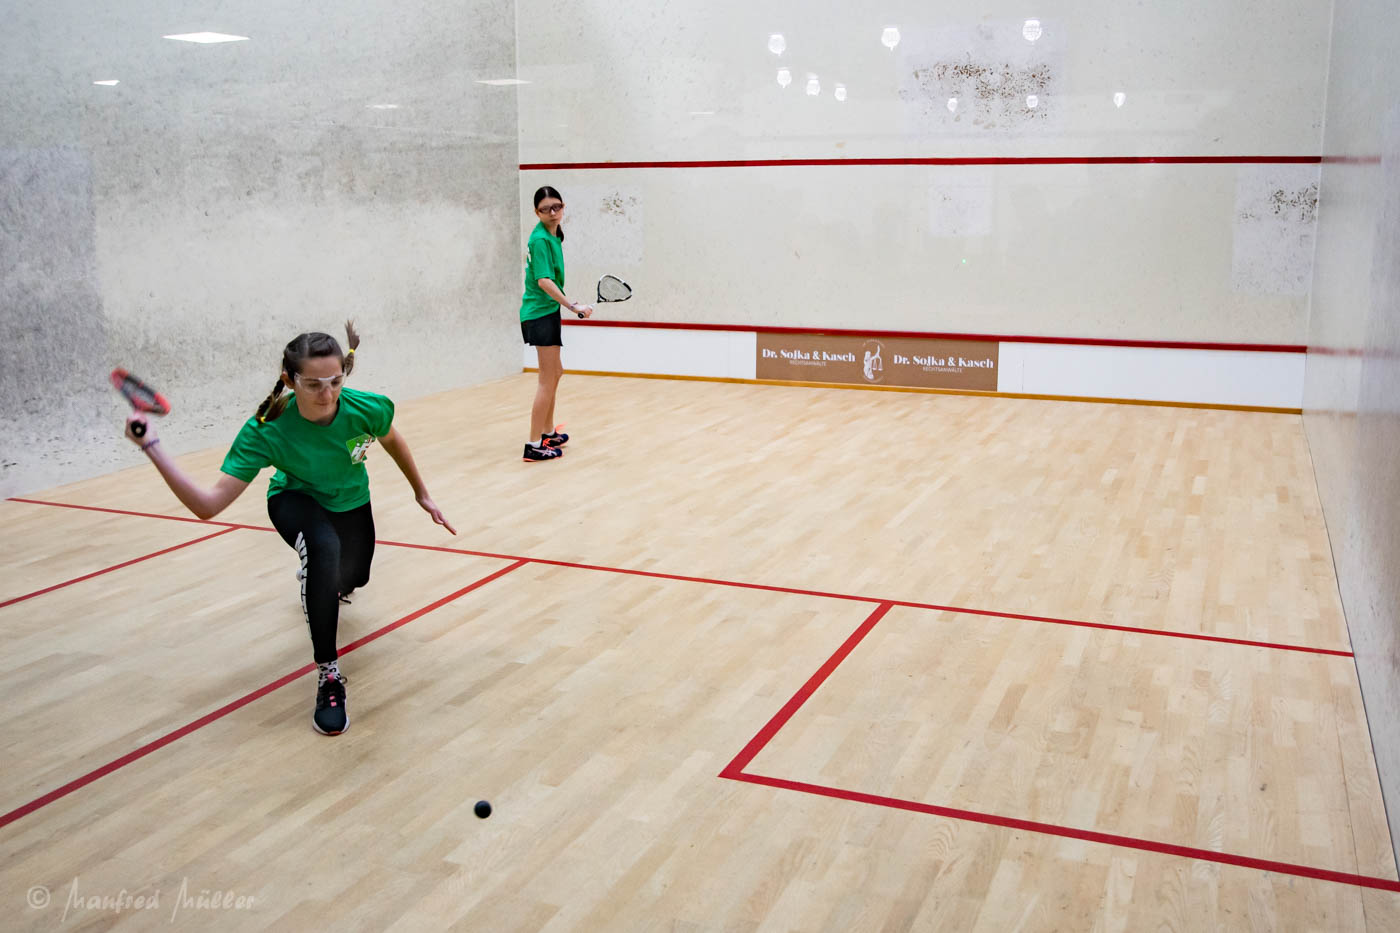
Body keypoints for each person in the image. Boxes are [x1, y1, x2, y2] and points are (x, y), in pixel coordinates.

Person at [123, 323, 455, 736]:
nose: (327, 395)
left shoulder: (367, 408)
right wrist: (151, 446)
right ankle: (329, 676)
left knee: (355, 577)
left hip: (351, 500)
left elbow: (392, 440)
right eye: (313, 384)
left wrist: (422, 493)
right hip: (294, 500)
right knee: (323, 549)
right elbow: (207, 505)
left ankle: (317, 576)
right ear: (289, 379)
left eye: (335, 382)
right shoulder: (267, 428)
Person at [519, 185, 593, 462]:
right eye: (545, 209)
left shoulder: (554, 234)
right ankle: (533, 444)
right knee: (546, 379)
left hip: (546, 311)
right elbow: (543, 280)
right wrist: (572, 305)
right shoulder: (540, 240)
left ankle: (547, 431)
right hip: (539, 313)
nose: (552, 213)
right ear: (536, 212)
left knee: (555, 372)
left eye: (557, 207)